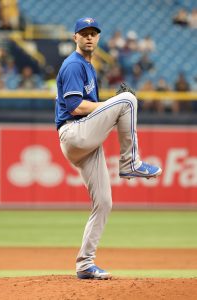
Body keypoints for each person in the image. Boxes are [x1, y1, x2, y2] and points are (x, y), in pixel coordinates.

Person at [55, 17, 162, 280]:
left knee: (103, 202)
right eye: (84, 33)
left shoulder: (90, 68)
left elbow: (91, 110)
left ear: (99, 38)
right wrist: (112, 104)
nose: (89, 37)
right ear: (75, 38)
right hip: (74, 132)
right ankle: (130, 163)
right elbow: (76, 107)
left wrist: (107, 106)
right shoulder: (73, 65)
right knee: (127, 99)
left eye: (93, 33)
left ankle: (85, 264)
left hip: (85, 139)